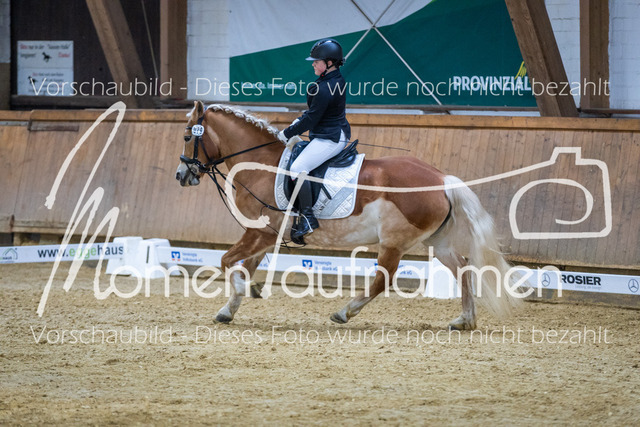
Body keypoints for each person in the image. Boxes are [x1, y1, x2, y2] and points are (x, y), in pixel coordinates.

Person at [278, 38, 351, 242]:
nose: (313, 65)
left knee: (297, 167)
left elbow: (312, 119)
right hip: (330, 131)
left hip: (331, 137)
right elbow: (314, 113)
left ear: (329, 63)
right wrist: (298, 122)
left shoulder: (325, 87)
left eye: (316, 61)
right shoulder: (332, 80)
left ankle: (308, 218)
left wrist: (287, 132)